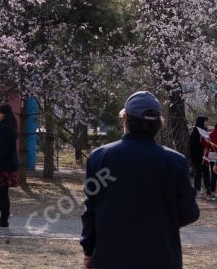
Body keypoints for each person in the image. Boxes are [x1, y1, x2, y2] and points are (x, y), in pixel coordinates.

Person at [80, 91, 199, 269]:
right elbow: (189, 212)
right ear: (159, 124)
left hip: (110, 257)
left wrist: (89, 251)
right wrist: (163, 220)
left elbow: (90, 212)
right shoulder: (175, 162)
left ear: (125, 119)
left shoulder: (100, 158)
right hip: (161, 257)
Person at [189, 116, 210, 197]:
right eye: (205, 121)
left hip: (205, 156)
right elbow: (194, 146)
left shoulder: (205, 132)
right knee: (198, 173)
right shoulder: (195, 133)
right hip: (198, 156)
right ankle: (197, 189)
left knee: (206, 172)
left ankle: (208, 189)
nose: (207, 123)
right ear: (201, 122)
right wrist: (202, 146)